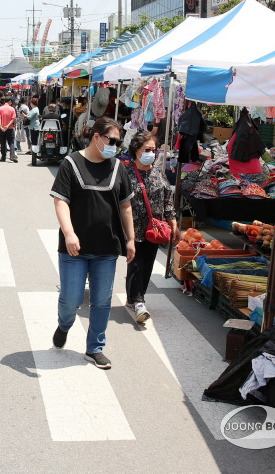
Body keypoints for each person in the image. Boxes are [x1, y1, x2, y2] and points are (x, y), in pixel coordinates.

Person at [50, 117, 135, 370]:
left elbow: (125, 206)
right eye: (112, 140)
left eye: (118, 142)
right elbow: (60, 201)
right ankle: (64, 325)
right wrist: (69, 233)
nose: (115, 146)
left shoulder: (118, 167)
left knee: (102, 300)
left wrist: (130, 239)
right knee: (71, 299)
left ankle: (95, 348)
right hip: (75, 249)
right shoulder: (71, 163)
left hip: (107, 247)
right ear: (96, 137)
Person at [125, 131, 180, 323]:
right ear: (136, 150)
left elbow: (167, 201)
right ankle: (139, 301)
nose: (152, 153)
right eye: (147, 149)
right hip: (132, 229)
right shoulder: (127, 173)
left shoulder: (158, 173)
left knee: (147, 265)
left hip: (154, 229)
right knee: (136, 264)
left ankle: (134, 297)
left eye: (154, 150)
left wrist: (173, 223)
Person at [0, 98, 19, 163]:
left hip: (2, 129)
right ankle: (12, 156)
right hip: (10, 128)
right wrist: (7, 126)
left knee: (3, 143)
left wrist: (1, 126)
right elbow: (13, 118)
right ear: (10, 101)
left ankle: (3, 157)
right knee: (11, 143)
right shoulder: (12, 109)